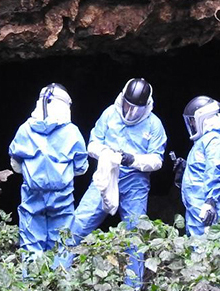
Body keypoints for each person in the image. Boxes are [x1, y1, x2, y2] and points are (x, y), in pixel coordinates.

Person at [63, 78, 167, 287]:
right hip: (106, 176)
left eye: (136, 109)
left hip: (135, 183)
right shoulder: (110, 114)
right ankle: (59, 274)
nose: (130, 112)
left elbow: (157, 160)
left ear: (145, 106)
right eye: (128, 106)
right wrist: (107, 154)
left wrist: (134, 159)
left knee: (135, 235)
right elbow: (92, 144)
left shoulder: (154, 124)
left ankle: (133, 285)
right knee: (78, 224)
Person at [8, 83, 89, 260]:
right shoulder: (71, 132)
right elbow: (81, 168)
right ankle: (58, 283)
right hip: (62, 197)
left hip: (32, 195)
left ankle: (32, 283)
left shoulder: (25, 130)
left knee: (31, 242)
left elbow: (15, 164)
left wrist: (35, 171)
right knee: (62, 243)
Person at [177, 95, 220, 236]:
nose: (192, 125)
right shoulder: (205, 140)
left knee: (205, 246)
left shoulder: (214, 139)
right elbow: (202, 170)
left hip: (204, 205)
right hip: (197, 205)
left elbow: (216, 168)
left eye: (193, 121)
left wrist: (210, 201)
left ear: (203, 118)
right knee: (196, 246)